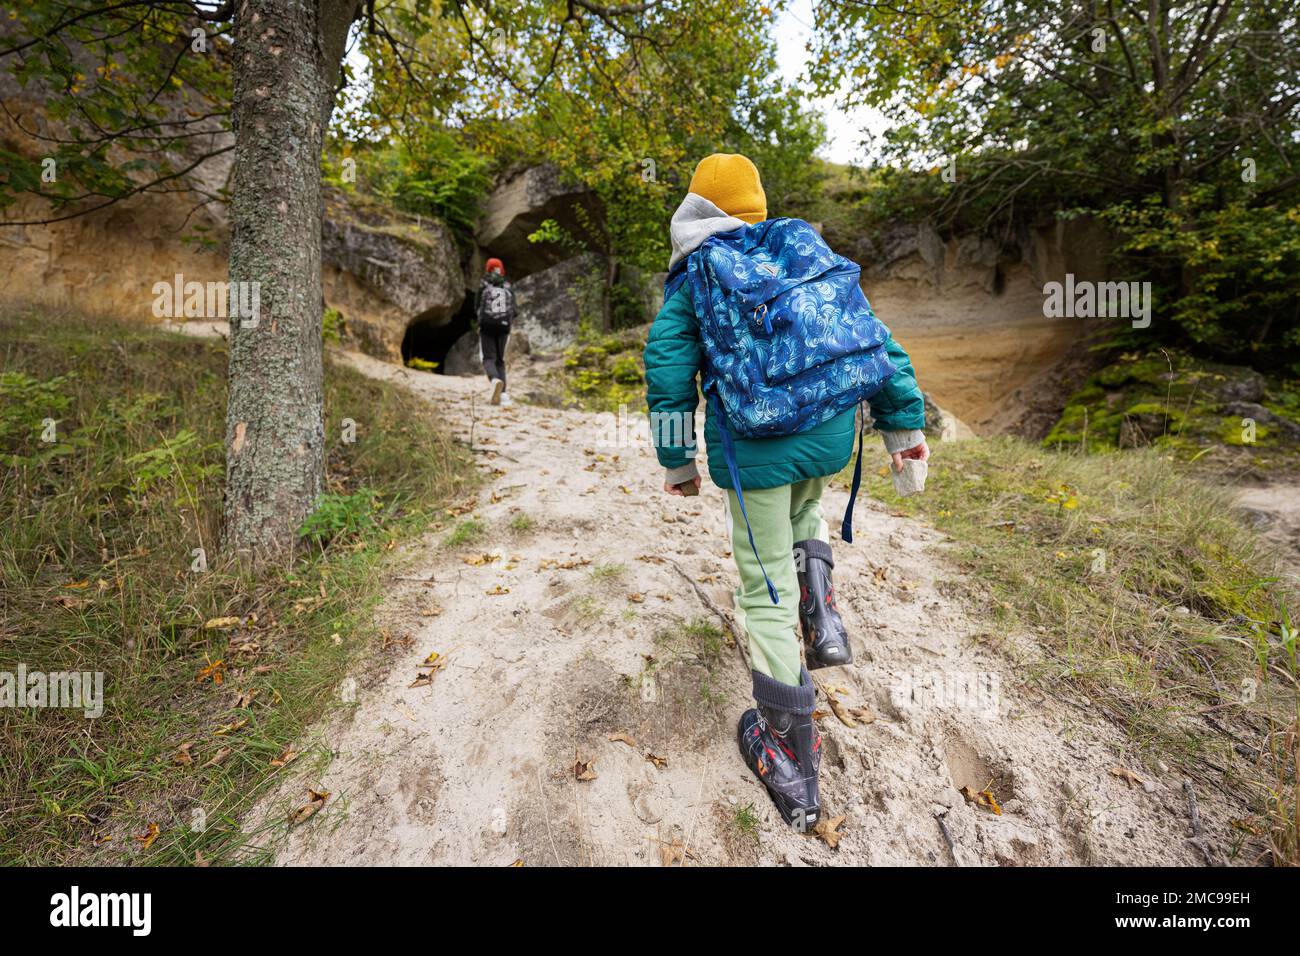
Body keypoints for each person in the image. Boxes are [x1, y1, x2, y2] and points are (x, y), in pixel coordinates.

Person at [643, 153, 929, 830]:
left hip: (757, 449)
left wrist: (676, 458)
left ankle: (791, 754)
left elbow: (668, 365)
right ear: (757, 204)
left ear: (696, 211)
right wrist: (903, 425)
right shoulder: (804, 251)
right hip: (830, 435)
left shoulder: (697, 277)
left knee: (762, 583)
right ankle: (824, 619)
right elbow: (873, 339)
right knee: (808, 507)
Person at [476, 257, 515, 406]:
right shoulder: (507, 286)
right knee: (500, 360)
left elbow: (477, 307)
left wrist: (481, 321)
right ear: (502, 269)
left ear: (488, 268)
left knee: (487, 358)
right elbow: (515, 310)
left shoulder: (483, 285)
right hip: (504, 326)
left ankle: (494, 380)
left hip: (487, 325)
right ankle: (504, 395)